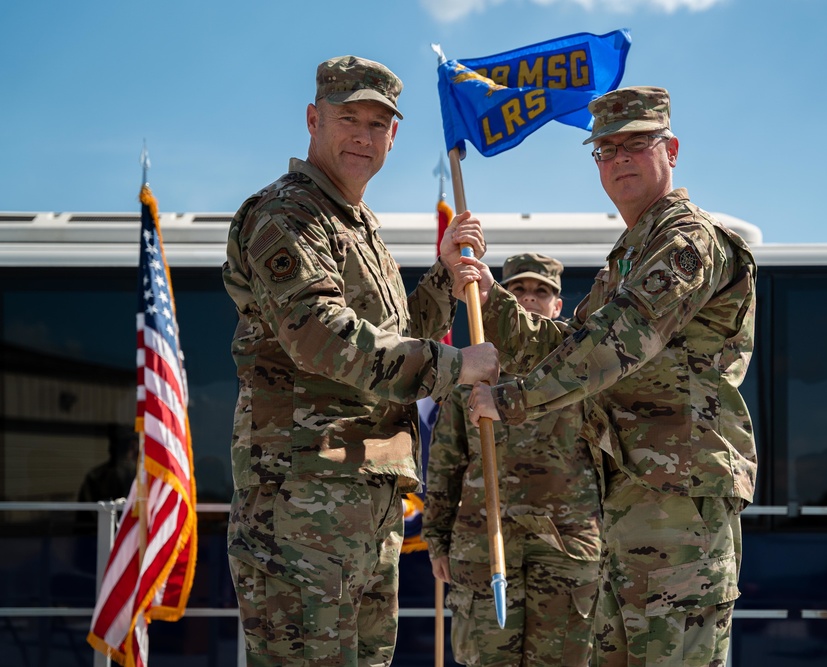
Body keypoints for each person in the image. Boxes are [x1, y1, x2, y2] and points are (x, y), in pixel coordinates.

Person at [456, 86, 758, 666]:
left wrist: (513, 400)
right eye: (606, 149)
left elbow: (619, 343)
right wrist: (490, 299)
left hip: (679, 496)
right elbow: (572, 343)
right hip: (626, 491)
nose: (620, 159)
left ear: (670, 149)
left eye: (636, 145)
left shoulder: (685, 241)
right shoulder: (631, 253)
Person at [221, 55, 498, 667]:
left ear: (394, 137)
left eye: (378, 124)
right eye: (349, 118)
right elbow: (322, 339)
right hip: (301, 506)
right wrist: (456, 367)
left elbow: (393, 336)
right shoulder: (286, 215)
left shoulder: (358, 226)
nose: (363, 136)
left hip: (366, 502)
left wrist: (446, 280)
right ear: (314, 120)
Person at [423, 253, 602, 667]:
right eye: (518, 289)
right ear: (498, 297)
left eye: (542, 292)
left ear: (557, 306)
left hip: (566, 545)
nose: (529, 299)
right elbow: (446, 461)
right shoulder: (472, 369)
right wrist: (437, 540)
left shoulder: (583, 373)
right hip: (483, 543)